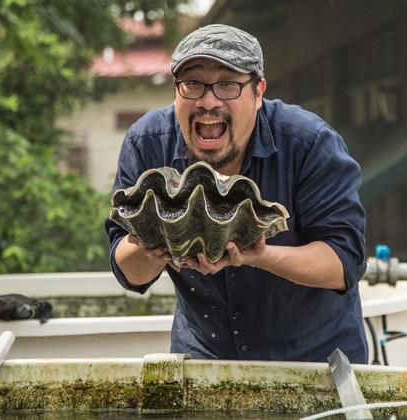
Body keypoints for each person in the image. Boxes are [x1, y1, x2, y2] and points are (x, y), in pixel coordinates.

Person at [104, 24, 368, 363]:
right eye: (193, 83)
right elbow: (128, 271)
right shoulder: (147, 144)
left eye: (228, 84)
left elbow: (343, 261)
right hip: (205, 358)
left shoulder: (309, 143)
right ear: (175, 90)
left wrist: (259, 255)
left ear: (258, 92)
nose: (208, 101)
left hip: (315, 358)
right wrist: (158, 244)